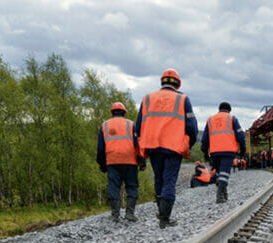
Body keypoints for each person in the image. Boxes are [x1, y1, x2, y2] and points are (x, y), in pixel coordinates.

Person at [135, 68, 197, 228]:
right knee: (169, 180)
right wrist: (187, 145)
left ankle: (162, 213)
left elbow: (138, 126)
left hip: (153, 146)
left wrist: (142, 147)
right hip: (174, 147)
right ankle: (164, 218)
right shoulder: (183, 99)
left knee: (159, 179)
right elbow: (192, 127)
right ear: (178, 84)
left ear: (162, 82)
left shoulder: (147, 99)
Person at [96, 101, 144, 222]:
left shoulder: (104, 125)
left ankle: (115, 214)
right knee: (132, 186)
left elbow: (100, 148)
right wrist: (142, 160)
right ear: (124, 112)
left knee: (114, 187)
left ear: (112, 112)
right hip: (130, 161)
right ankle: (130, 213)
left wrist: (102, 164)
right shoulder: (131, 125)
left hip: (112, 161)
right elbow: (138, 145)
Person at [201, 102, 246, 203]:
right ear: (229, 110)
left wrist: (205, 152)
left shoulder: (210, 120)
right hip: (228, 151)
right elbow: (240, 136)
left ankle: (224, 193)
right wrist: (243, 149)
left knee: (218, 173)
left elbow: (204, 139)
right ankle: (220, 196)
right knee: (224, 173)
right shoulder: (232, 118)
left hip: (214, 151)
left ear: (219, 109)